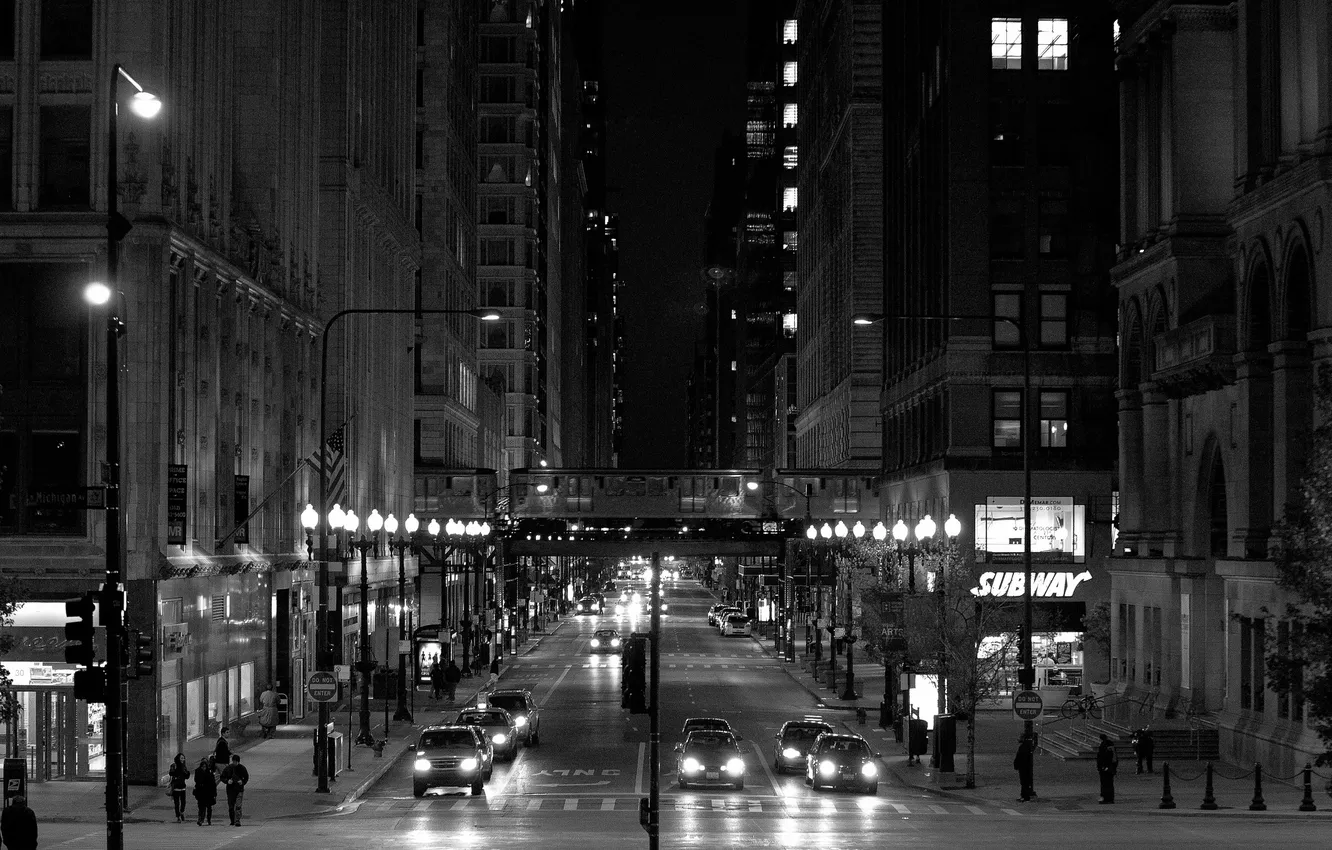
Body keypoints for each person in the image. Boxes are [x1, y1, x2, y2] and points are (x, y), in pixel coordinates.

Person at [220, 753, 250, 826]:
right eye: (233, 761)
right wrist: (227, 781)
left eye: (235, 761)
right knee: (231, 806)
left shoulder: (242, 769)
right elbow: (222, 777)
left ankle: (237, 820)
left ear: (238, 762)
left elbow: (246, 777)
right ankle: (232, 820)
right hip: (230, 790)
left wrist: (242, 782)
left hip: (239, 789)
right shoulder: (228, 768)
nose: (234, 763)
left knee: (238, 806)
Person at [193, 756, 218, 825]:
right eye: (202, 766)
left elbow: (213, 783)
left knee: (209, 807)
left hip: (208, 792)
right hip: (201, 792)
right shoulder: (198, 771)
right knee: (201, 806)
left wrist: (214, 793)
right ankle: (201, 819)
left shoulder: (209, 772)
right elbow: (196, 781)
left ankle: (208, 819)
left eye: (205, 766)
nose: (204, 768)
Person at [169, 752, 192, 822]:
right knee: (176, 803)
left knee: (183, 802)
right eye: (181, 758)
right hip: (176, 787)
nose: (183, 759)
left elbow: (187, 776)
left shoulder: (184, 766)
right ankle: (178, 816)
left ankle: (181, 811)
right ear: (178, 758)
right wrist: (177, 771)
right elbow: (171, 773)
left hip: (182, 786)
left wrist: (187, 773)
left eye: (183, 758)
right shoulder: (174, 765)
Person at [1096, 733, 1118, 803]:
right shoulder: (1111, 745)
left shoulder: (1104, 746)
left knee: (1105, 783)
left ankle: (1105, 798)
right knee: (1110, 783)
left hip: (1105, 767)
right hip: (1110, 767)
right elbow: (1114, 758)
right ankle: (1110, 798)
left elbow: (1103, 758)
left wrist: (1102, 767)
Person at [1013, 733, 1035, 802]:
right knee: (1024, 781)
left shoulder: (1023, 747)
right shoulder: (1026, 746)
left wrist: (1016, 764)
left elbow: (1020, 757)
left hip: (1023, 767)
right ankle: (1024, 795)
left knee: (1024, 781)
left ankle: (1025, 796)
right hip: (1024, 767)